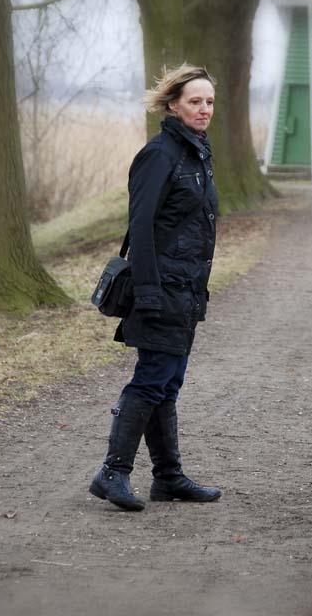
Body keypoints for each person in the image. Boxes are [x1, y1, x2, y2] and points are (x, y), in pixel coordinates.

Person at [89, 64, 222, 511]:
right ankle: (112, 473)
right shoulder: (160, 154)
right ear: (173, 105)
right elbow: (140, 227)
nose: (204, 110)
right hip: (161, 288)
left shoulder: (197, 153)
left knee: (168, 382)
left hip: (186, 289)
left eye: (209, 102)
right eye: (194, 101)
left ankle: (167, 478)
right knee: (150, 380)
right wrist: (148, 291)